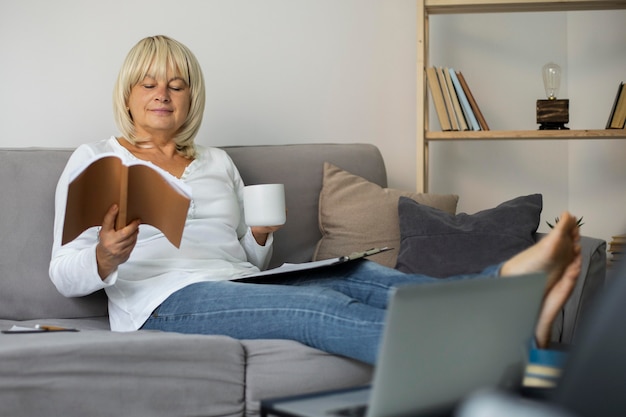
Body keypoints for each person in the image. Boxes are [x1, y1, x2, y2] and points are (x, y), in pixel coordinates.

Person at [49, 35, 582, 365]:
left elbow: (241, 258)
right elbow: (62, 272)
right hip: (161, 302)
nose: (162, 93)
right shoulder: (98, 159)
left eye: (176, 84)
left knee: (363, 278)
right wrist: (103, 258)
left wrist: (258, 240)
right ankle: (502, 353)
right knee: (319, 307)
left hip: (233, 282)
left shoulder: (216, 162)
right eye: (147, 84)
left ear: (192, 98)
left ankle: (504, 292)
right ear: (128, 95)